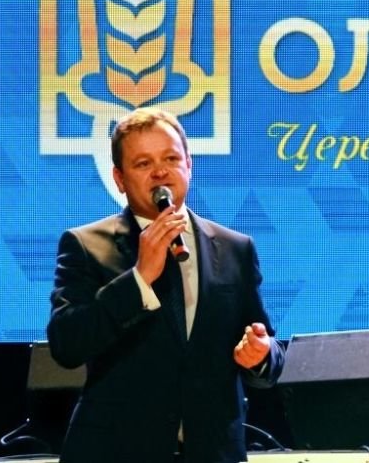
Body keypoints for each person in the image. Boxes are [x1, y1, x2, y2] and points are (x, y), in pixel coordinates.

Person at [47, 107, 285, 463]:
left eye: (171, 158)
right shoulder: (85, 246)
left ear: (189, 165)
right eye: (143, 163)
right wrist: (139, 278)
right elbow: (67, 344)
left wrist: (261, 355)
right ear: (119, 179)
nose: (160, 171)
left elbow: (268, 348)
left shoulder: (235, 248)